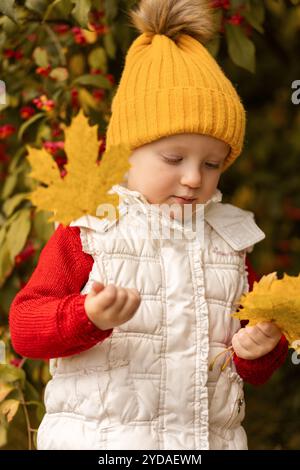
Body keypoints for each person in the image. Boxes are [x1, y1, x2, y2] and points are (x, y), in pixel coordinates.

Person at [9, 0, 288, 450]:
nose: (194, 178)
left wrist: (259, 349)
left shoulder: (230, 243)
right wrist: (88, 315)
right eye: (173, 159)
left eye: (213, 164)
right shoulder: (91, 229)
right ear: (125, 153)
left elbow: (246, 363)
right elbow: (25, 328)